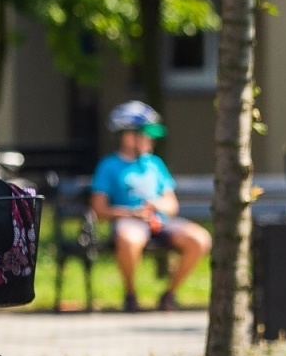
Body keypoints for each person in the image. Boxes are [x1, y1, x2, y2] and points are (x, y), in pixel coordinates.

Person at [89, 100, 210, 312]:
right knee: (129, 239)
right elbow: (98, 209)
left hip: (161, 222)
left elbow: (172, 205)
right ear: (127, 136)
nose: (151, 139)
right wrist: (131, 213)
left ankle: (169, 294)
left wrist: (156, 204)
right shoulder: (108, 166)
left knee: (200, 240)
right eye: (145, 133)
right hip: (129, 222)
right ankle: (130, 295)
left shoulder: (155, 164)